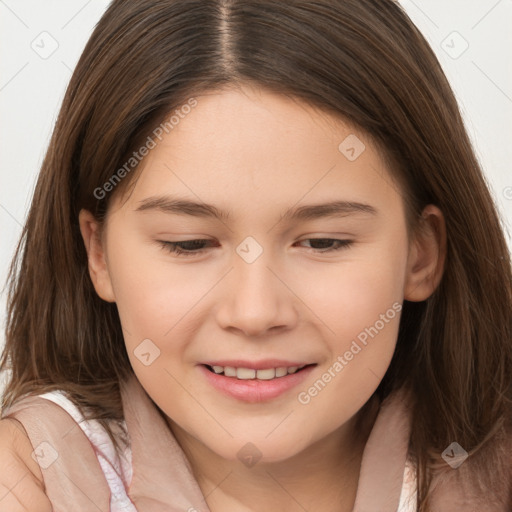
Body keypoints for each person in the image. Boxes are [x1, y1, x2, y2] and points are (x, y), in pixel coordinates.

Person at [1, 1, 511, 511]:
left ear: (421, 255)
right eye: (189, 244)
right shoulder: (27, 482)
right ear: (100, 256)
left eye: (323, 242)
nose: (255, 312)